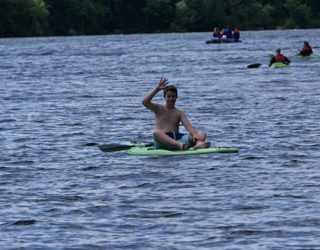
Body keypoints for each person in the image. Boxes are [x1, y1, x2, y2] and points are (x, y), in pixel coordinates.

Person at [142, 78, 211, 150]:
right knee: (156, 133)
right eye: (168, 96)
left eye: (173, 96)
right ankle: (180, 145)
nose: (171, 98)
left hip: (177, 138)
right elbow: (145, 102)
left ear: (176, 97)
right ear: (164, 97)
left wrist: (196, 136)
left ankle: (198, 144)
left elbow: (188, 126)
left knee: (202, 134)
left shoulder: (179, 112)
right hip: (163, 141)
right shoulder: (158, 108)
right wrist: (156, 89)